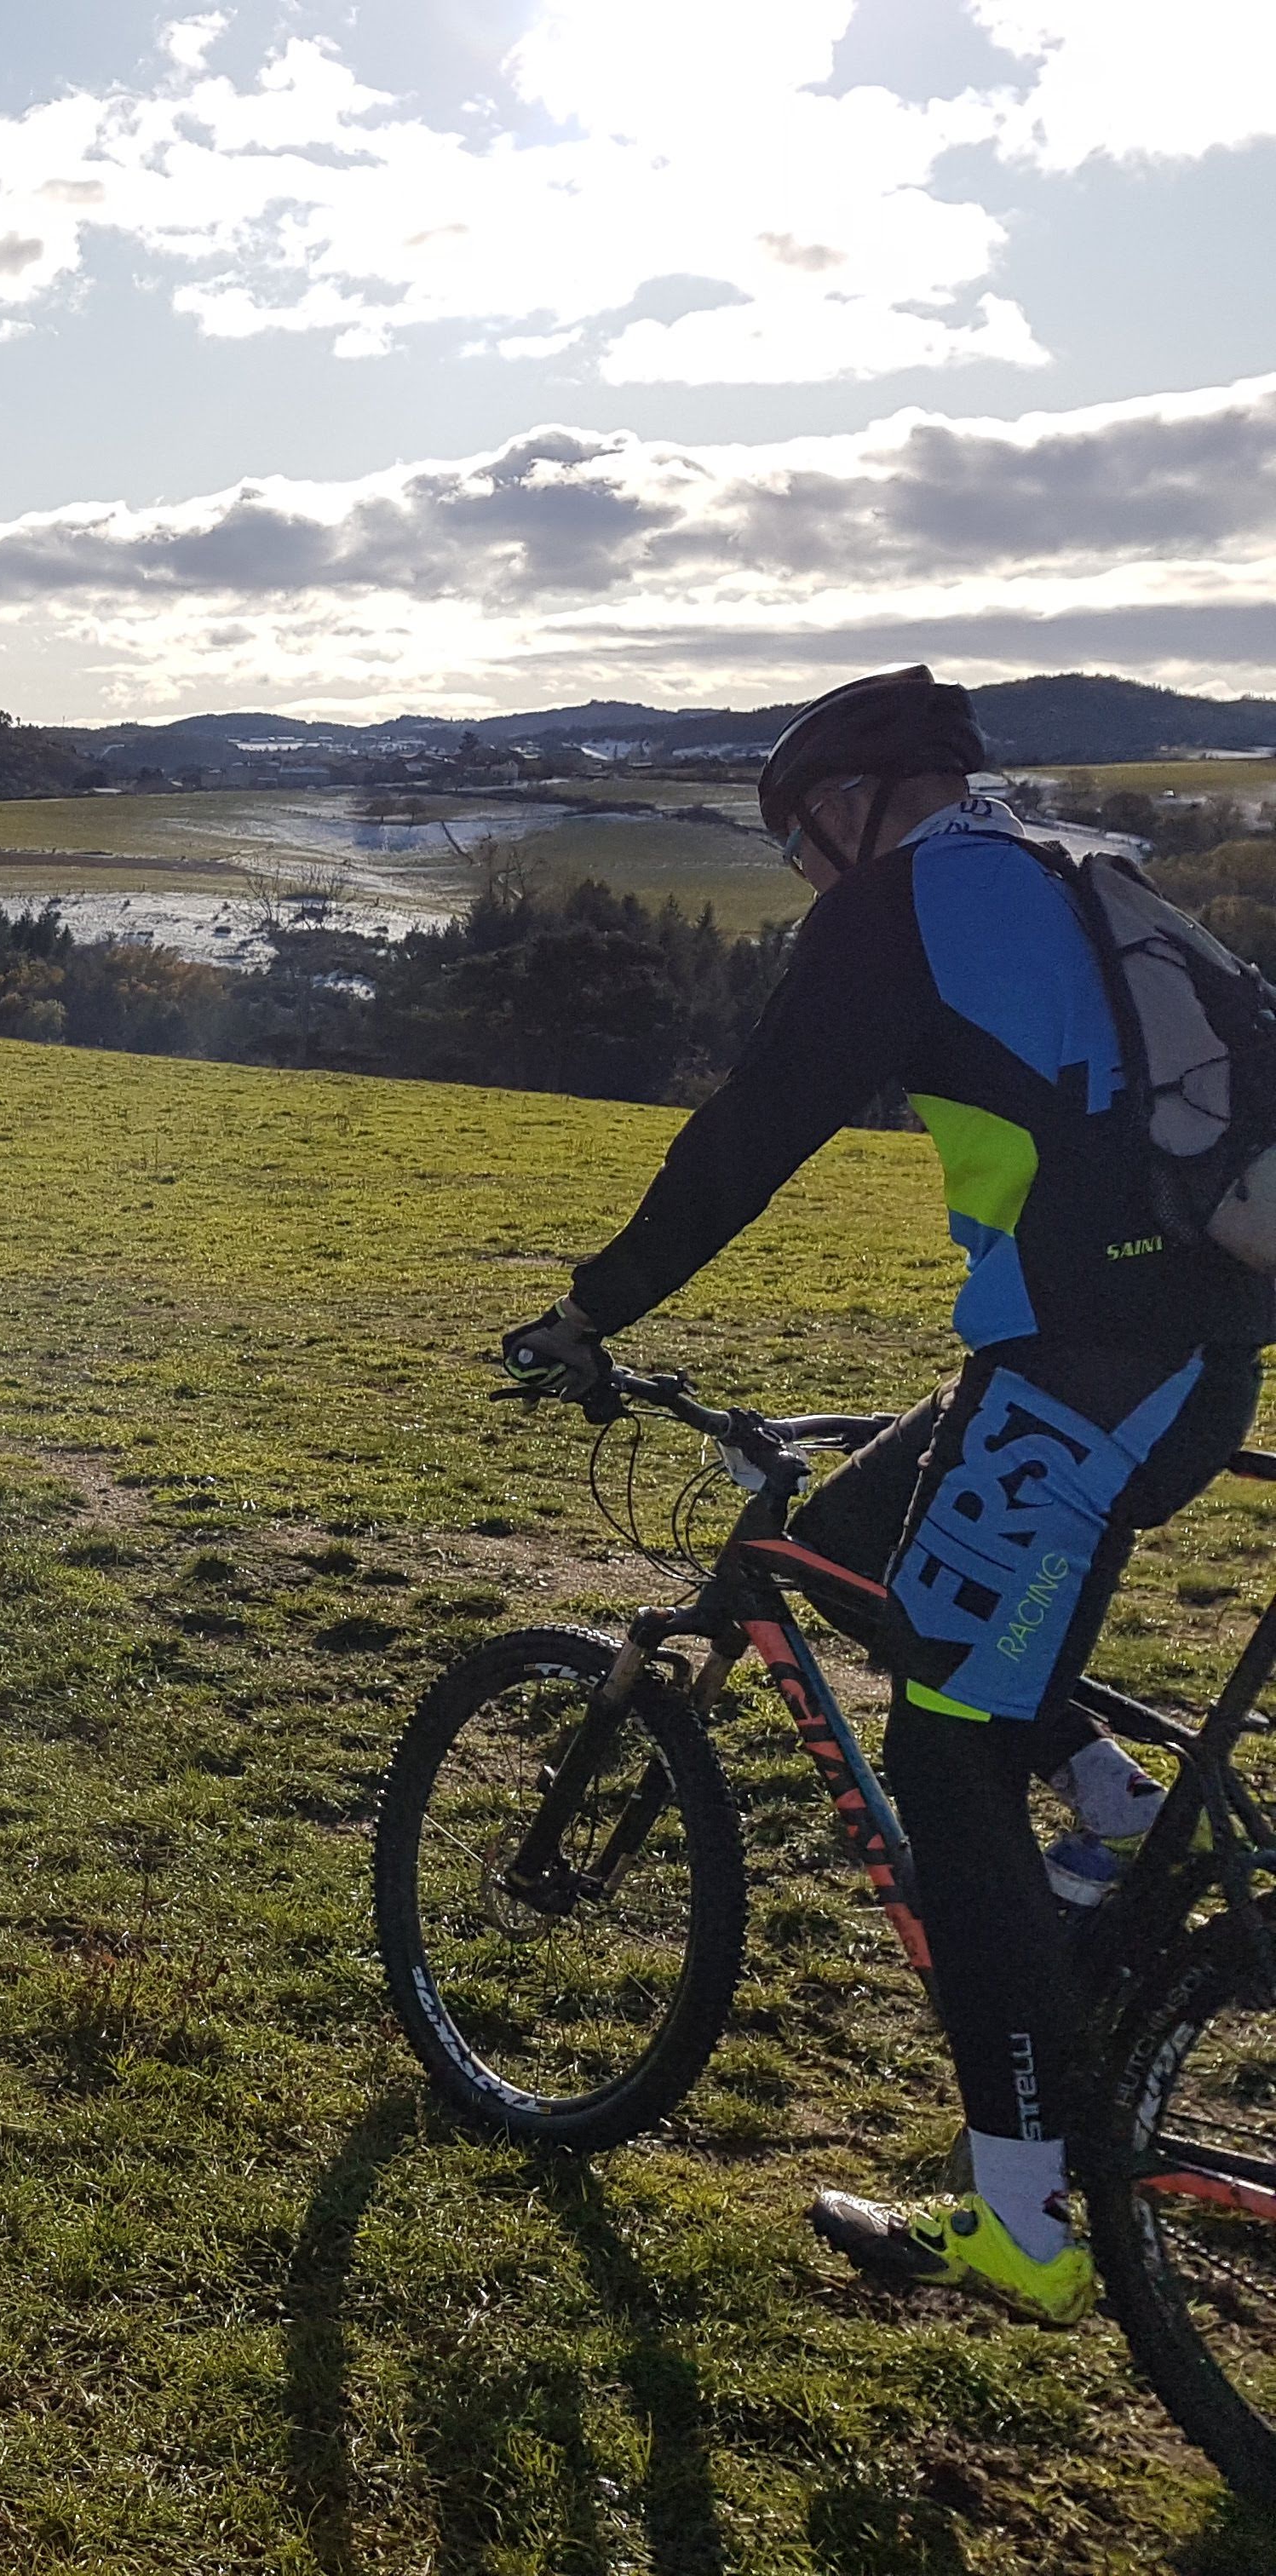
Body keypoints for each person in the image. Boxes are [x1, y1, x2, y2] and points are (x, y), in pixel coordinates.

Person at [502, 666, 1273, 2328]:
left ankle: (1024, 2214)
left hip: (1083, 1368)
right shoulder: (1077, 874)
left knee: (941, 1739)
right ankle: (1117, 1813)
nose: (800, 881)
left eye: (798, 846)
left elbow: (747, 1136)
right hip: (1172, 1357)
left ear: (851, 807)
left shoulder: (901, 904)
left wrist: (593, 1310)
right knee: (856, 1532)